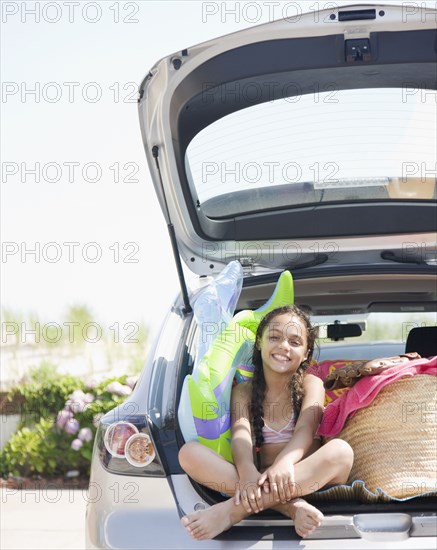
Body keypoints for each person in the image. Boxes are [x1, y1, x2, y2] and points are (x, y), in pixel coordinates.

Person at [178, 305, 354, 541]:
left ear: (306, 353)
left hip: (305, 478)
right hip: (253, 479)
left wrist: (284, 463)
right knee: (188, 453)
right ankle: (290, 507)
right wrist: (247, 470)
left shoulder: (311, 384)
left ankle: (230, 512)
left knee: (341, 452)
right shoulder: (243, 391)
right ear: (259, 342)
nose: (283, 346)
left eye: (294, 342)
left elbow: (306, 429)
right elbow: (240, 433)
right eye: (274, 337)